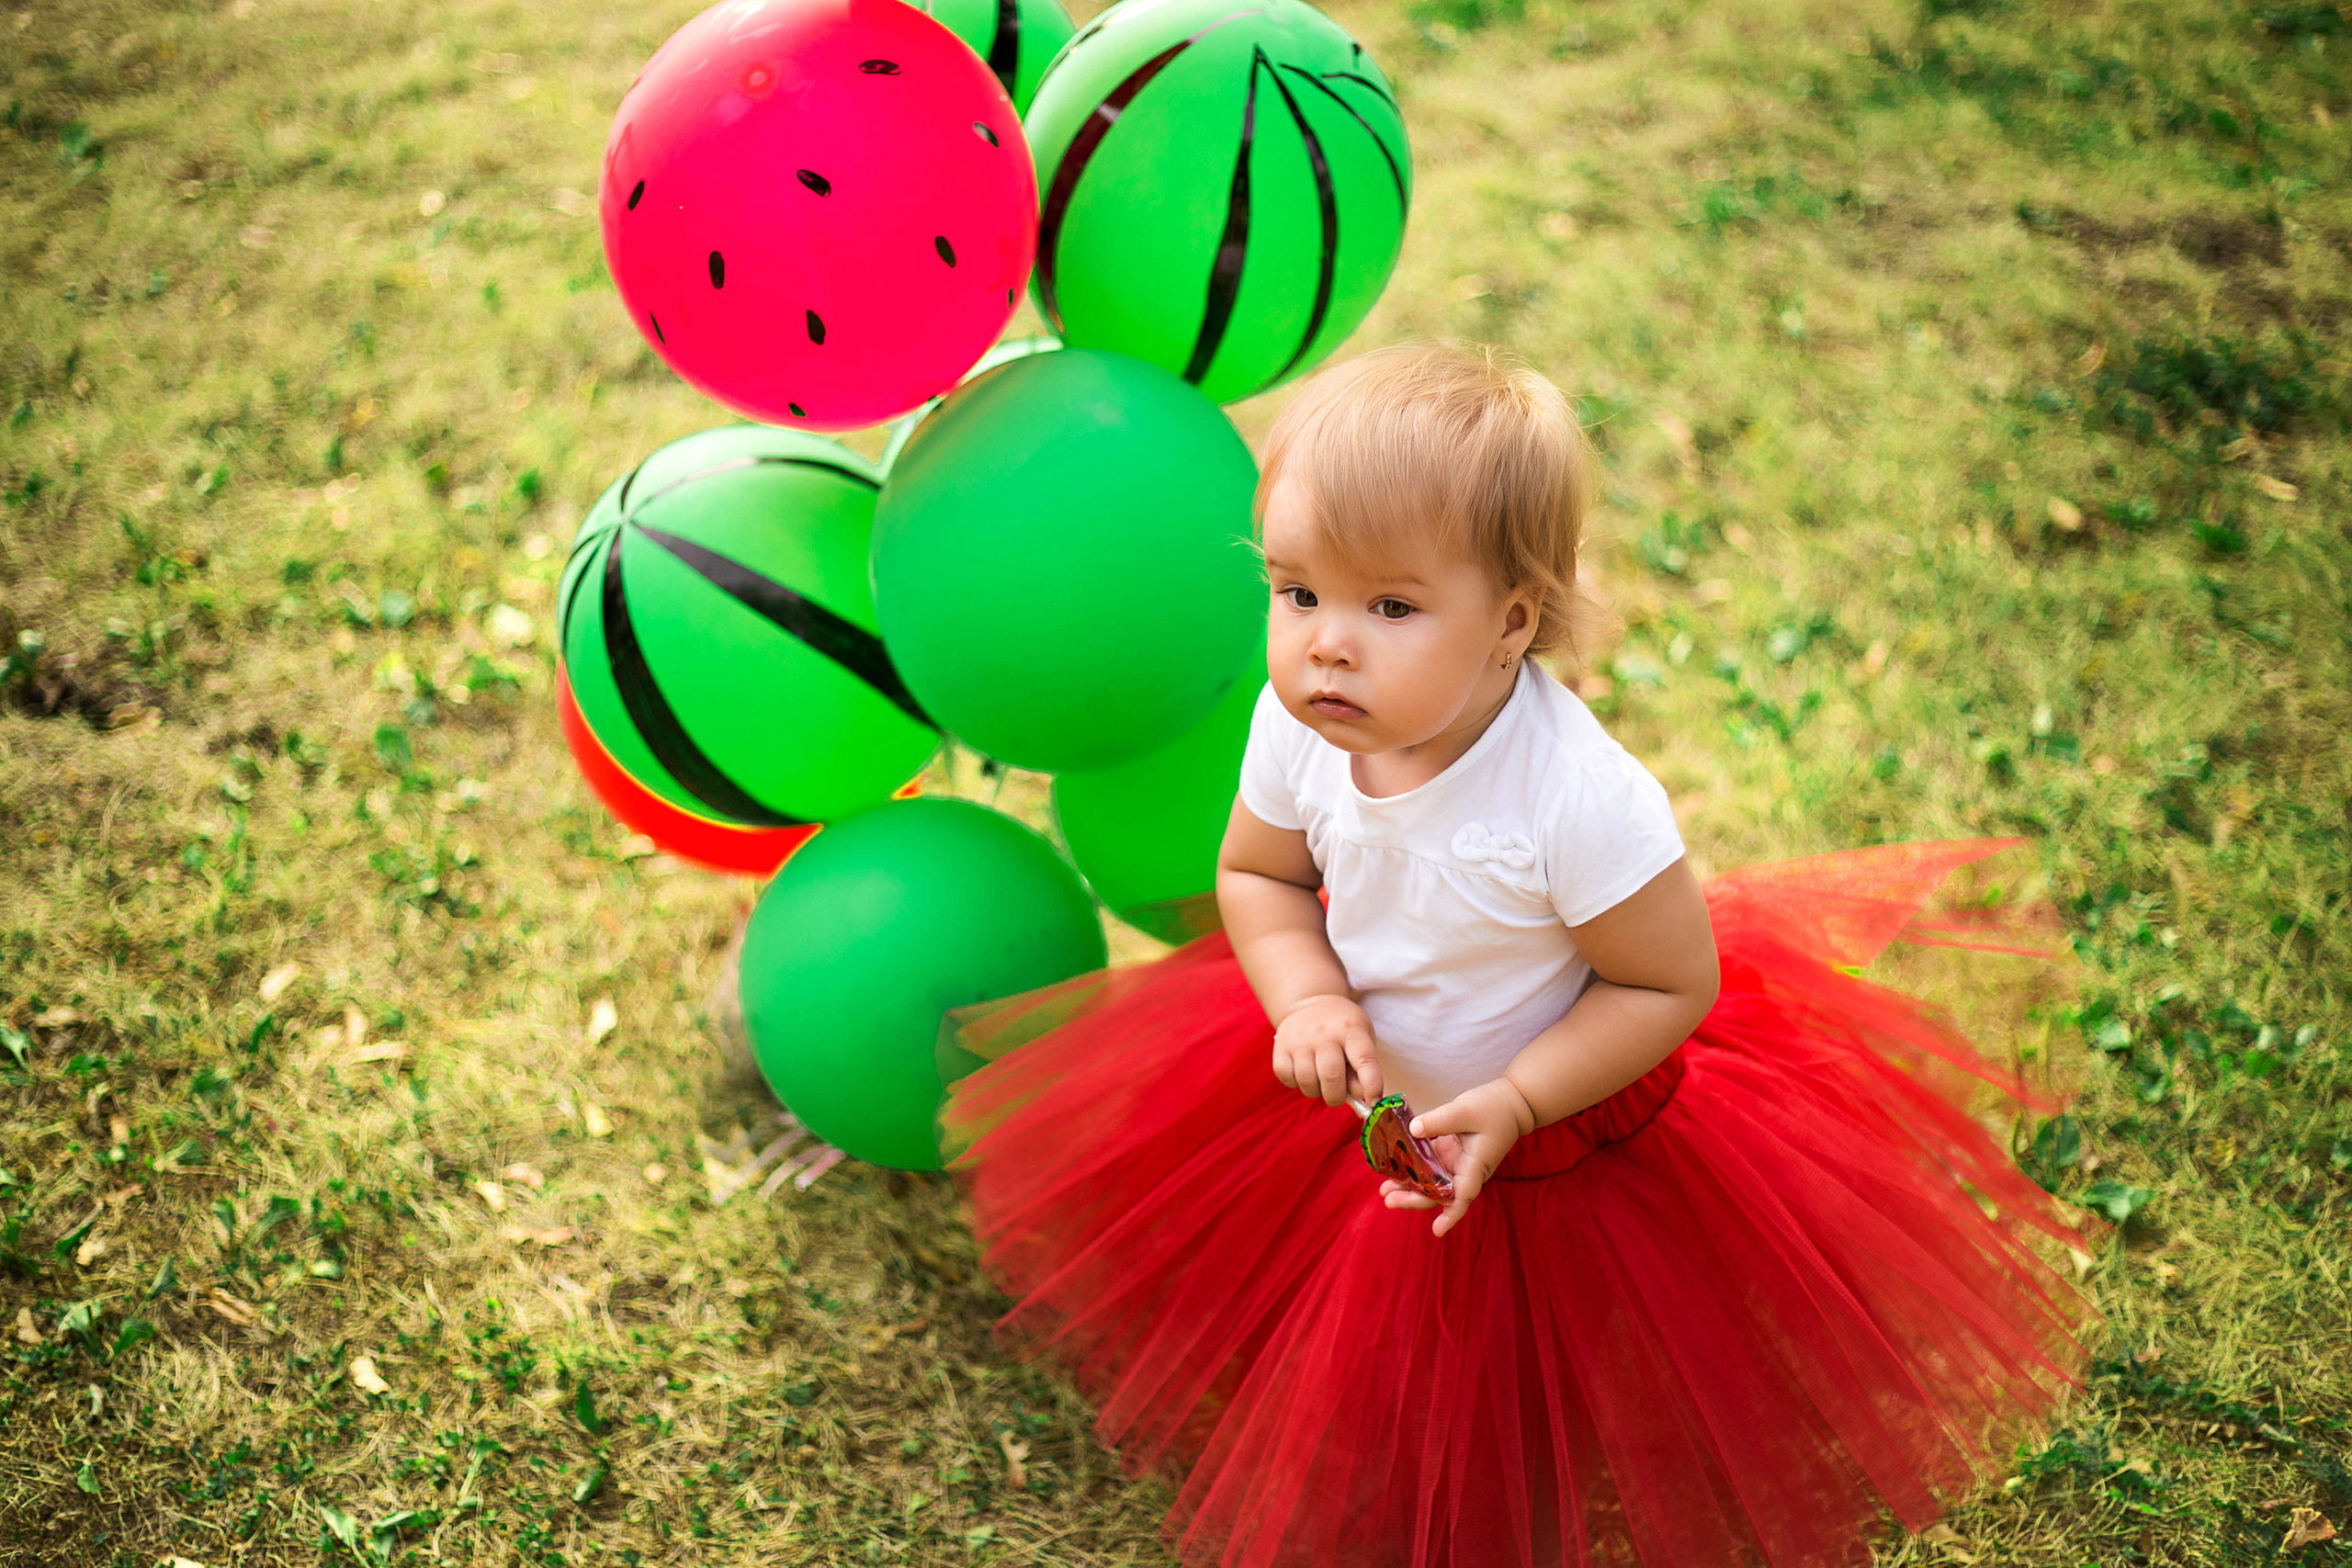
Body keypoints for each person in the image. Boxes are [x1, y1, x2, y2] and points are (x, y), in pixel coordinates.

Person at [941, 345, 2097, 1568]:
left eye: (1389, 607)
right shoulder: (1296, 723)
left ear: (1512, 623)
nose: (1328, 645)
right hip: (1377, 1084)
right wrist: (1309, 998)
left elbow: (1666, 984)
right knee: (1366, 1330)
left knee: (1539, 1392)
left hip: (1560, 1129)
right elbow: (1260, 876)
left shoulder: (1576, 800)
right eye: (1296, 593)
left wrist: (1519, 1097)